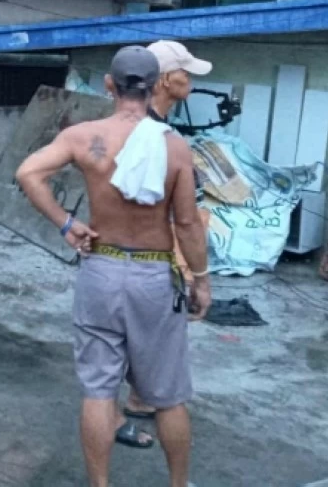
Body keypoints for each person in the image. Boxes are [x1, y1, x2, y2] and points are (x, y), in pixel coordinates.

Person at [16, 46, 211, 487]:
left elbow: (28, 172)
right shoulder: (174, 147)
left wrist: (67, 223)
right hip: (153, 276)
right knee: (168, 396)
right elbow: (186, 224)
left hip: (100, 270)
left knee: (99, 391)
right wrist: (201, 280)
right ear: (156, 86)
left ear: (110, 85)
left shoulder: (83, 136)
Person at [120, 39, 216, 443]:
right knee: (151, 331)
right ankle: (139, 400)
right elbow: (181, 218)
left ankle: (139, 396)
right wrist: (196, 273)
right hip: (147, 254)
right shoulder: (152, 135)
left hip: (131, 253)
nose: (189, 79)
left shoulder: (150, 129)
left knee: (138, 331)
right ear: (163, 80)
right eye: (184, 72)